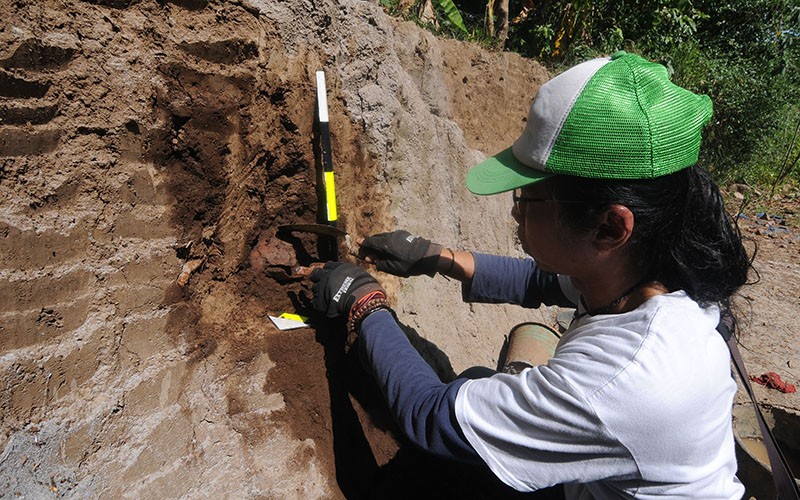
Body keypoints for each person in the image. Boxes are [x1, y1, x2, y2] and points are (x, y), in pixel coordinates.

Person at [310, 51, 751, 498]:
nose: (515, 213)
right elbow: (539, 281)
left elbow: (433, 418)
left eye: (527, 199)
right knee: (476, 381)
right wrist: (437, 257)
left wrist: (365, 303)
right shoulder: (651, 273)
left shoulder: (621, 378)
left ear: (610, 227)